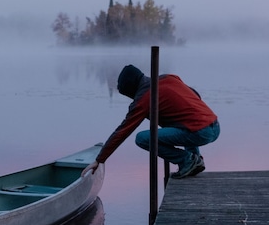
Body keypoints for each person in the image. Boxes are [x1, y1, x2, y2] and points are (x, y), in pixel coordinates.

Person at [83, 64, 219, 179]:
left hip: (200, 132)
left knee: (142, 138)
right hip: (214, 126)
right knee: (182, 121)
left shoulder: (144, 99)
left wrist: (100, 160)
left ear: (131, 89)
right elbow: (195, 94)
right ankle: (195, 160)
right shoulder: (169, 78)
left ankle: (187, 161)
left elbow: (122, 132)